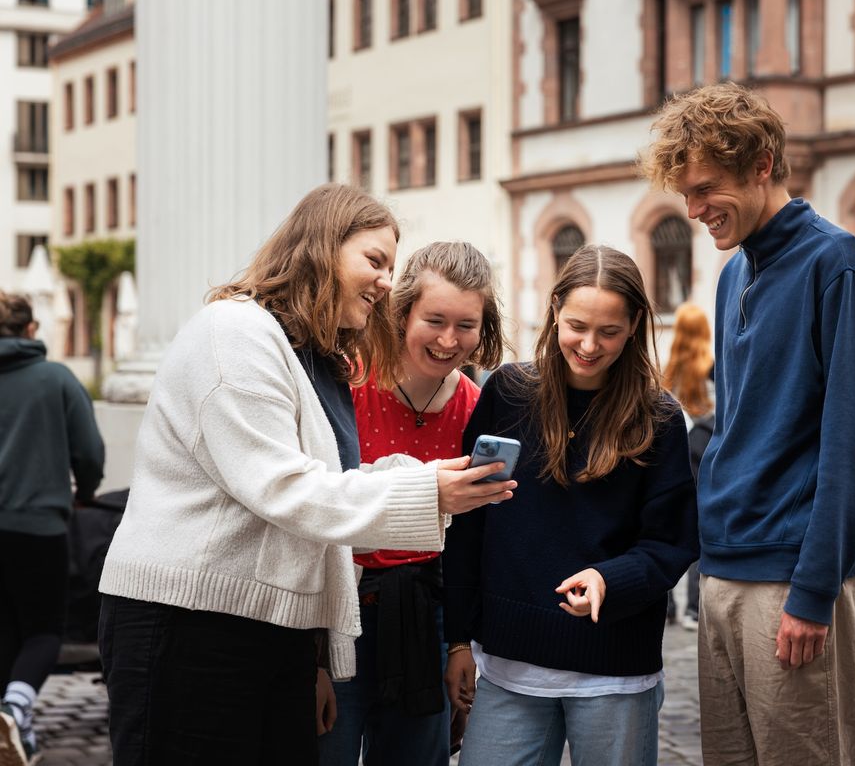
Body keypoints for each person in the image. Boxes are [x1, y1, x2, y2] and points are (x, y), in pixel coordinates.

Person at [97, 184, 515, 765]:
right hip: (190, 625)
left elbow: (333, 482)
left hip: (269, 629)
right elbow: (287, 490)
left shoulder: (311, 358)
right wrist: (427, 489)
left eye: (391, 267)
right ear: (320, 247)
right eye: (374, 261)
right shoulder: (235, 333)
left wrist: (435, 487)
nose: (387, 283)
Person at [641, 82, 855, 764]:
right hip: (724, 570)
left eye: (707, 189)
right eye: (684, 195)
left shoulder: (837, 263)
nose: (694, 211)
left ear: (762, 165)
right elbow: (739, 423)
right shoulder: (732, 273)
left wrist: (812, 591)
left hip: (792, 577)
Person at [441, 244, 699, 766]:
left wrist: (611, 580)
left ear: (633, 327)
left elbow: (671, 543)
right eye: (577, 325)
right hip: (508, 668)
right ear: (555, 308)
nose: (588, 344)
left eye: (609, 331)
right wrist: (457, 641)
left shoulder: (659, 417)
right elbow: (468, 524)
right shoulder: (508, 393)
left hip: (616, 671)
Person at [318, 242, 505, 765]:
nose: (449, 340)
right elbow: (312, 510)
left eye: (466, 324)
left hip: (428, 616)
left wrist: (459, 646)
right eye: (435, 319)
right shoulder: (347, 382)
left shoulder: (476, 408)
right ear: (403, 313)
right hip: (340, 611)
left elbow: (472, 540)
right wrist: (310, 657)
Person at [0, 293, 105, 765]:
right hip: (38, 526)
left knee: (3, 630)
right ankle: (16, 705)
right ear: (31, 329)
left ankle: (11, 726)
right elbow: (89, 451)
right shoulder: (55, 379)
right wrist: (84, 491)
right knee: (43, 631)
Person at [661, 301, 715, 632]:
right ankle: (694, 608)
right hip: (707, 449)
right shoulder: (712, 365)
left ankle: (666, 605)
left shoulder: (669, 368)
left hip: (678, 448)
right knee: (701, 529)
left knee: (667, 524)